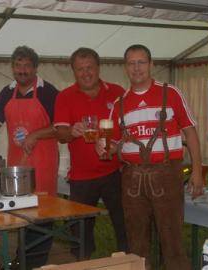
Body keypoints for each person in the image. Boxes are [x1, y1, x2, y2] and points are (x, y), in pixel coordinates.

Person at [99, 44, 203, 269]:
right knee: (136, 242)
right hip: (132, 179)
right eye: (131, 63)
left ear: (151, 64)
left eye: (141, 62)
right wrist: (106, 149)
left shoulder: (170, 93)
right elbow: (113, 144)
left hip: (167, 175)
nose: (137, 68)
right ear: (125, 67)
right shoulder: (120, 105)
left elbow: (190, 132)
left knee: (172, 239)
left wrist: (196, 171)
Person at [0, 45, 59, 269]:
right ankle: (22, 259)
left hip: (42, 164)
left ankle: (35, 263)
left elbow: (61, 127)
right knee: (22, 214)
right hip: (16, 165)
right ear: (13, 68)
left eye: (26, 66)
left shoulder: (48, 92)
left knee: (42, 214)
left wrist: (36, 135)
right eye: (18, 65)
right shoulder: (7, 92)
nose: (22, 70)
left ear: (35, 68)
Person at [54, 47, 127, 260]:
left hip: (116, 173)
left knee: (125, 225)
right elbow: (60, 134)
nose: (85, 73)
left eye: (89, 68)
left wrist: (117, 145)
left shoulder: (117, 92)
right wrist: (72, 131)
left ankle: (128, 262)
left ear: (98, 68)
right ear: (73, 72)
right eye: (80, 69)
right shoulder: (65, 96)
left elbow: (128, 131)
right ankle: (83, 264)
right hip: (82, 178)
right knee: (81, 234)